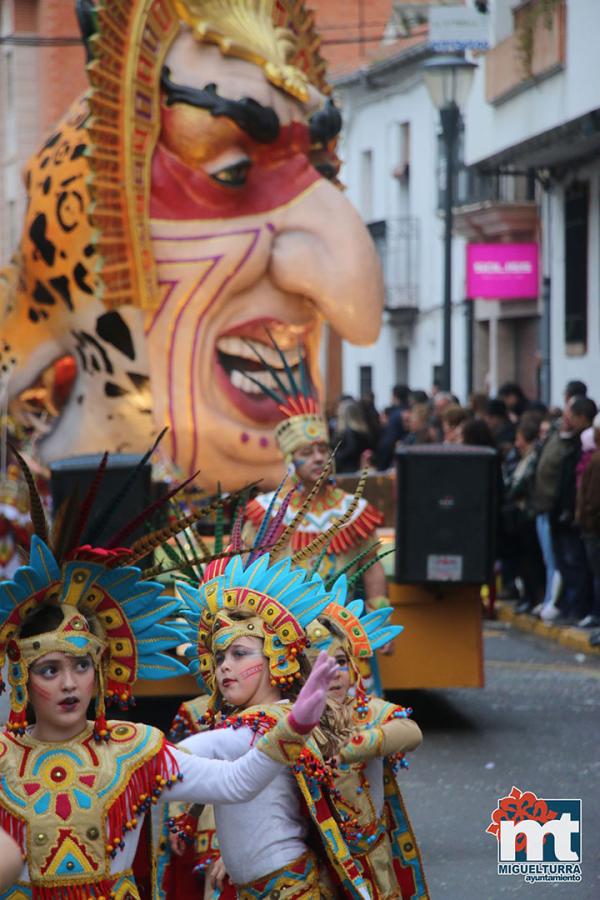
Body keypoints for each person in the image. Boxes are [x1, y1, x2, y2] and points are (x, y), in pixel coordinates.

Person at [166, 554, 369, 898]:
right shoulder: (266, 719)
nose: (225, 668)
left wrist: (133, 759)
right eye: (219, 658)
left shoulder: (268, 722)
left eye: (240, 654)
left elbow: (209, 748)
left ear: (274, 657)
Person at [241, 339, 387, 607]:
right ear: (290, 461)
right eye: (306, 453)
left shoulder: (352, 510)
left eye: (323, 449)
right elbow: (244, 569)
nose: (319, 458)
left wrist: (380, 614)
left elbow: (372, 564)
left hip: (339, 635)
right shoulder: (265, 512)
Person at [307, 588, 428, 899]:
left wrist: (353, 746)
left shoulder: (367, 710)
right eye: (321, 665)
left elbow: (411, 732)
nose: (334, 674)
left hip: (370, 859)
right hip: (313, 858)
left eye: (341, 661)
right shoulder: (291, 718)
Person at [334, 397, 372, 473]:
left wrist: (335, 456)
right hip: (359, 468)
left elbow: (350, 450)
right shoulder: (363, 431)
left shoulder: (348, 432)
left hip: (347, 470)